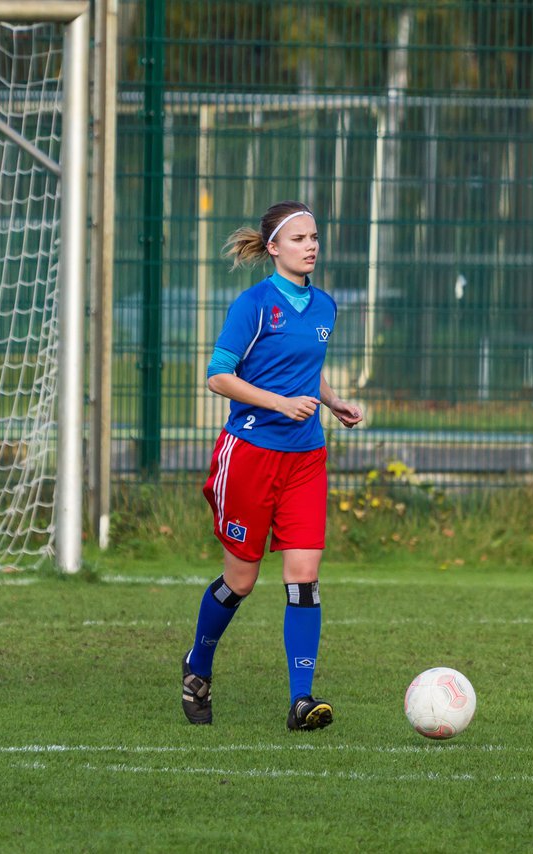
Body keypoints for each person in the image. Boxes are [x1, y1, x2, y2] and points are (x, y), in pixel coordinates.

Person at [180, 200, 363, 729]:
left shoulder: (325, 306)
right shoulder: (255, 304)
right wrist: (279, 403)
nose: (311, 246)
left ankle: (302, 701)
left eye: (315, 238)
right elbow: (218, 376)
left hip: (305, 459)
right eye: (300, 238)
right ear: (274, 248)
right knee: (240, 581)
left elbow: (307, 369)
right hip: (251, 456)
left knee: (303, 579)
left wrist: (332, 402)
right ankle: (198, 667)